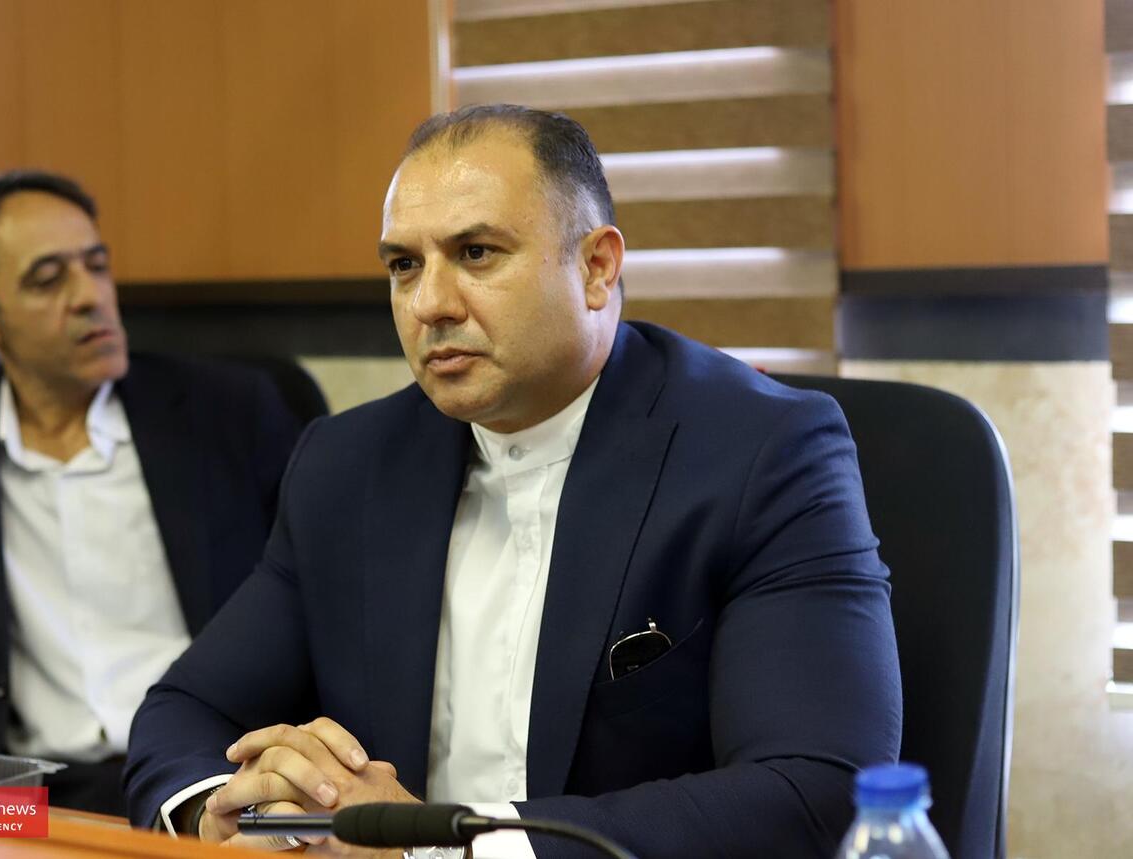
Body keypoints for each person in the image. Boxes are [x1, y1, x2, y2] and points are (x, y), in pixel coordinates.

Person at [125, 106, 902, 857]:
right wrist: (233, 816)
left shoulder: (763, 452)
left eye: (476, 253)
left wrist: (433, 843)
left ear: (596, 267)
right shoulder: (345, 463)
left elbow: (815, 789)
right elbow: (186, 709)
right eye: (404, 265)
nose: (430, 304)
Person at [0, 170, 306, 815]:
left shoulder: (228, 412)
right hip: (30, 789)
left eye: (97, 266)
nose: (91, 296)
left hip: (206, 776)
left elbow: (313, 596)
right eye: (49, 280)